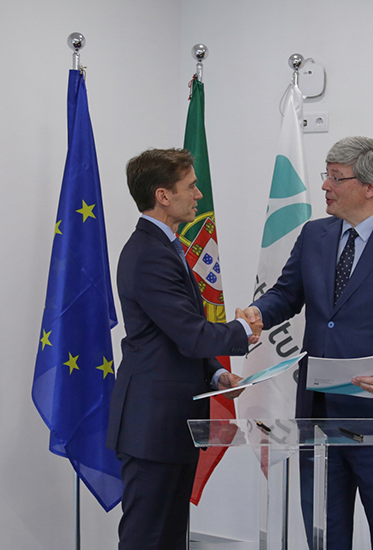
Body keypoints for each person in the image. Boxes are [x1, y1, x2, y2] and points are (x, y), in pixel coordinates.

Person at [243, 136, 373, 550]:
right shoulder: (314, 235)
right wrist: (259, 312)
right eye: (326, 175)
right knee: (324, 537)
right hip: (319, 418)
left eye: (336, 178)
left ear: (370, 187)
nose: (325, 185)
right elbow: (286, 294)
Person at [106, 148, 262, 550]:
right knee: (146, 538)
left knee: (172, 537)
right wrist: (243, 328)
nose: (198, 195)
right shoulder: (149, 255)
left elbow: (173, 335)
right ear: (163, 195)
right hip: (152, 426)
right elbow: (191, 333)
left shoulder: (165, 248)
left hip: (172, 422)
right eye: (190, 186)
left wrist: (216, 373)